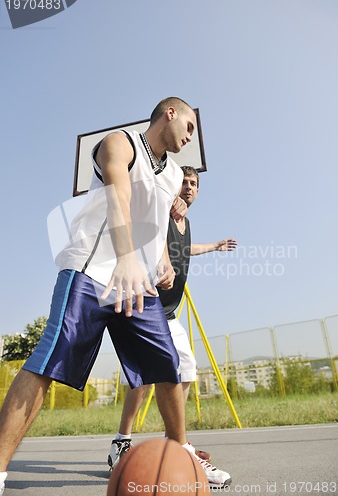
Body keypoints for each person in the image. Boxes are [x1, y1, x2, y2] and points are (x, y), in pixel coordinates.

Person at [0, 98, 230, 494]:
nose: (191, 136)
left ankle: (183, 451)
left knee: (167, 363)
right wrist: (125, 257)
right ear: (170, 113)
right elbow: (119, 196)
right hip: (93, 270)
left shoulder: (174, 173)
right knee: (49, 361)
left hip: (137, 281)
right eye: (190, 126)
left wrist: (161, 260)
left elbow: (155, 223)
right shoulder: (119, 143)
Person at [108, 166, 237, 482]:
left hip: (169, 313)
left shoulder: (185, 223)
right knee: (145, 380)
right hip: (147, 303)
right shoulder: (161, 208)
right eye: (184, 182)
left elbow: (185, 250)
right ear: (172, 185)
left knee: (186, 367)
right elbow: (143, 217)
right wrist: (167, 201)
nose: (189, 187)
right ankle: (132, 442)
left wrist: (216, 247)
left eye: (194, 183)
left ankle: (172, 440)